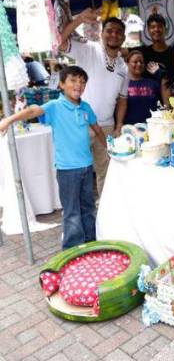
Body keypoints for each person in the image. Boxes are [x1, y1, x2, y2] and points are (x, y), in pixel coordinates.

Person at [0, 66, 105, 248]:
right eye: (73, 80)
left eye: (82, 81)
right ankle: (72, 249)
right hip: (67, 170)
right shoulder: (55, 106)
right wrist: (8, 120)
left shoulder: (85, 107)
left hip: (87, 167)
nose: (78, 84)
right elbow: (33, 111)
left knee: (88, 207)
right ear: (62, 84)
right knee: (72, 212)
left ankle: (90, 244)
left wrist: (108, 147)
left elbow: (96, 127)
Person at [59, 9, 129, 197]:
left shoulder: (124, 67)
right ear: (102, 33)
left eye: (118, 32)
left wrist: (119, 125)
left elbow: (122, 100)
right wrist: (79, 19)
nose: (113, 35)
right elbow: (60, 42)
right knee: (76, 173)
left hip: (106, 127)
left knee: (106, 173)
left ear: (123, 37)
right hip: (79, 124)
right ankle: (75, 214)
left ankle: (104, 215)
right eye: (109, 30)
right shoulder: (89, 49)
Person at [114, 49, 169, 134]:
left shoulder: (153, 83)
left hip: (152, 129)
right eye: (135, 62)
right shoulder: (121, 84)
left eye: (141, 62)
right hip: (129, 131)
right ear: (127, 63)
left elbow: (166, 87)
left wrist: (159, 73)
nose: (139, 64)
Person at [141, 13, 174, 90]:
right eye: (153, 27)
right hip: (149, 99)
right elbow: (121, 51)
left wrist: (159, 73)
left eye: (159, 26)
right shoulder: (143, 51)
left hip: (170, 98)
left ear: (165, 29)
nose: (156, 29)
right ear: (148, 30)